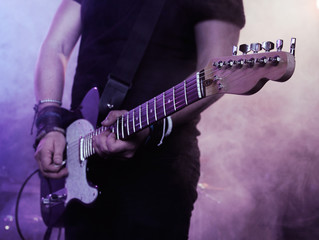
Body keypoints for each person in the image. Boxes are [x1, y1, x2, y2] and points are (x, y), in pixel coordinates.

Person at [33, 0, 245, 239]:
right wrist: (50, 122)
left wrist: (152, 127)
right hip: (80, 155)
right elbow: (57, 46)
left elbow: (215, 73)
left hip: (160, 166)